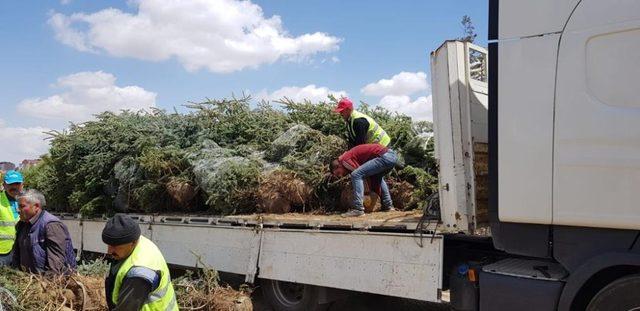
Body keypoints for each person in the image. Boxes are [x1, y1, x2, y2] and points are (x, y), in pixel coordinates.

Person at [103, 214, 178, 311]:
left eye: (116, 246)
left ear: (133, 242)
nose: (109, 251)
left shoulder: (139, 274)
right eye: (109, 245)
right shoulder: (139, 241)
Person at [12, 189, 77, 274]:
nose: (17, 210)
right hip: (30, 281)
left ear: (36, 206)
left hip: (52, 283)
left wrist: (43, 284)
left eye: (22, 206)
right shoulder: (22, 225)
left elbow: (56, 267)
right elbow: (17, 256)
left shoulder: (51, 225)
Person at [330, 143, 398, 217]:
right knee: (377, 176)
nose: (340, 176)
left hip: (385, 157)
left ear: (338, 166)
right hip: (391, 156)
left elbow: (360, 176)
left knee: (356, 175)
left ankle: (358, 209)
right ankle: (388, 206)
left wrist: (367, 191)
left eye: (338, 173)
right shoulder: (348, 156)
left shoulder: (344, 160)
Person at [0, 170, 22, 266]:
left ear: (22, 185)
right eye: (11, 184)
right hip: (2, 252)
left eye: (17, 183)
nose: (14, 187)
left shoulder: (26, 200)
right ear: (4, 185)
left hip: (21, 250)